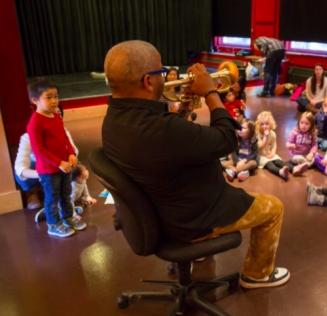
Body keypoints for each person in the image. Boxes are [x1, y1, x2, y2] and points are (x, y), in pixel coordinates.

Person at [102, 40, 289, 289]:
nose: (166, 77)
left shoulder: (114, 120)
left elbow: (167, 145)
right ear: (148, 81)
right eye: (161, 72)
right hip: (195, 217)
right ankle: (257, 274)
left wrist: (184, 109)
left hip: (162, 207)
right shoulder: (162, 130)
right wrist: (211, 93)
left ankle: (197, 252)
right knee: (274, 208)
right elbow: (226, 140)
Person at [26, 79, 86, 238]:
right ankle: (53, 224)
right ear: (34, 100)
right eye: (48, 97)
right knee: (52, 198)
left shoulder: (56, 116)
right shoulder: (35, 123)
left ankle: (68, 217)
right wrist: (59, 163)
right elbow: (39, 151)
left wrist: (71, 153)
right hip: (49, 170)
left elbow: (64, 138)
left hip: (65, 166)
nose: (54, 101)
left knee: (66, 194)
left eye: (56, 96)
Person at [255, 111, 289, 180]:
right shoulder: (257, 135)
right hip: (261, 156)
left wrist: (272, 153)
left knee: (278, 161)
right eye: (262, 124)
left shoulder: (272, 134)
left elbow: (274, 145)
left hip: (269, 153)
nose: (264, 126)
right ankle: (280, 172)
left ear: (271, 124)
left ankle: (293, 168)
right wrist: (265, 137)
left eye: (267, 124)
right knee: (270, 165)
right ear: (258, 125)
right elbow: (260, 146)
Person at [285, 112, 317, 176]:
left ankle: (302, 165)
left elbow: (314, 145)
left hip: (306, 155)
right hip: (296, 155)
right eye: (301, 123)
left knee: (316, 157)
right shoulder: (294, 132)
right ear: (298, 123)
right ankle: (305, 164)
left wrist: (311, 153)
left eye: (307, 124)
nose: (303, 125)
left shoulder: (312, 134)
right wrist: (290, 146)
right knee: (298, 158)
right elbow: (288, 143)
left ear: (311, 125)